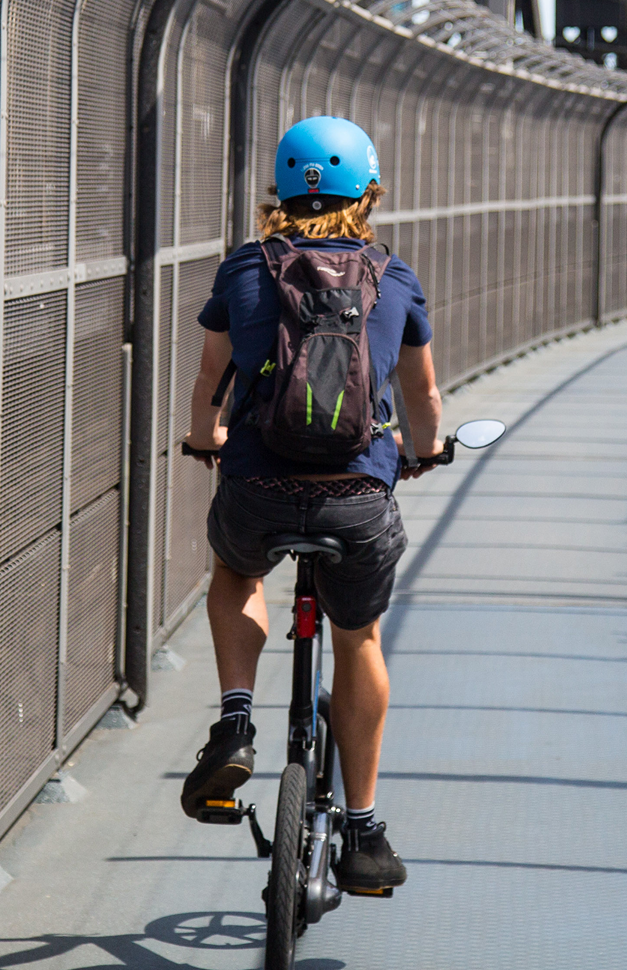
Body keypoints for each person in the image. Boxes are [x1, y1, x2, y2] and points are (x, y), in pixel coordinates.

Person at [177, 115, 440, 894]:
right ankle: (360, 833)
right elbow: (421, 396)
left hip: (258, 487)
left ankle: (234, 720)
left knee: (236, 572)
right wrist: (424, 454)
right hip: (358, 496)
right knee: (357, 637)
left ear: (280, 193)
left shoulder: (245, 271)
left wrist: (207, 441)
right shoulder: (394, 279)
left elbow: (209, 384)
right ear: (369, 194)